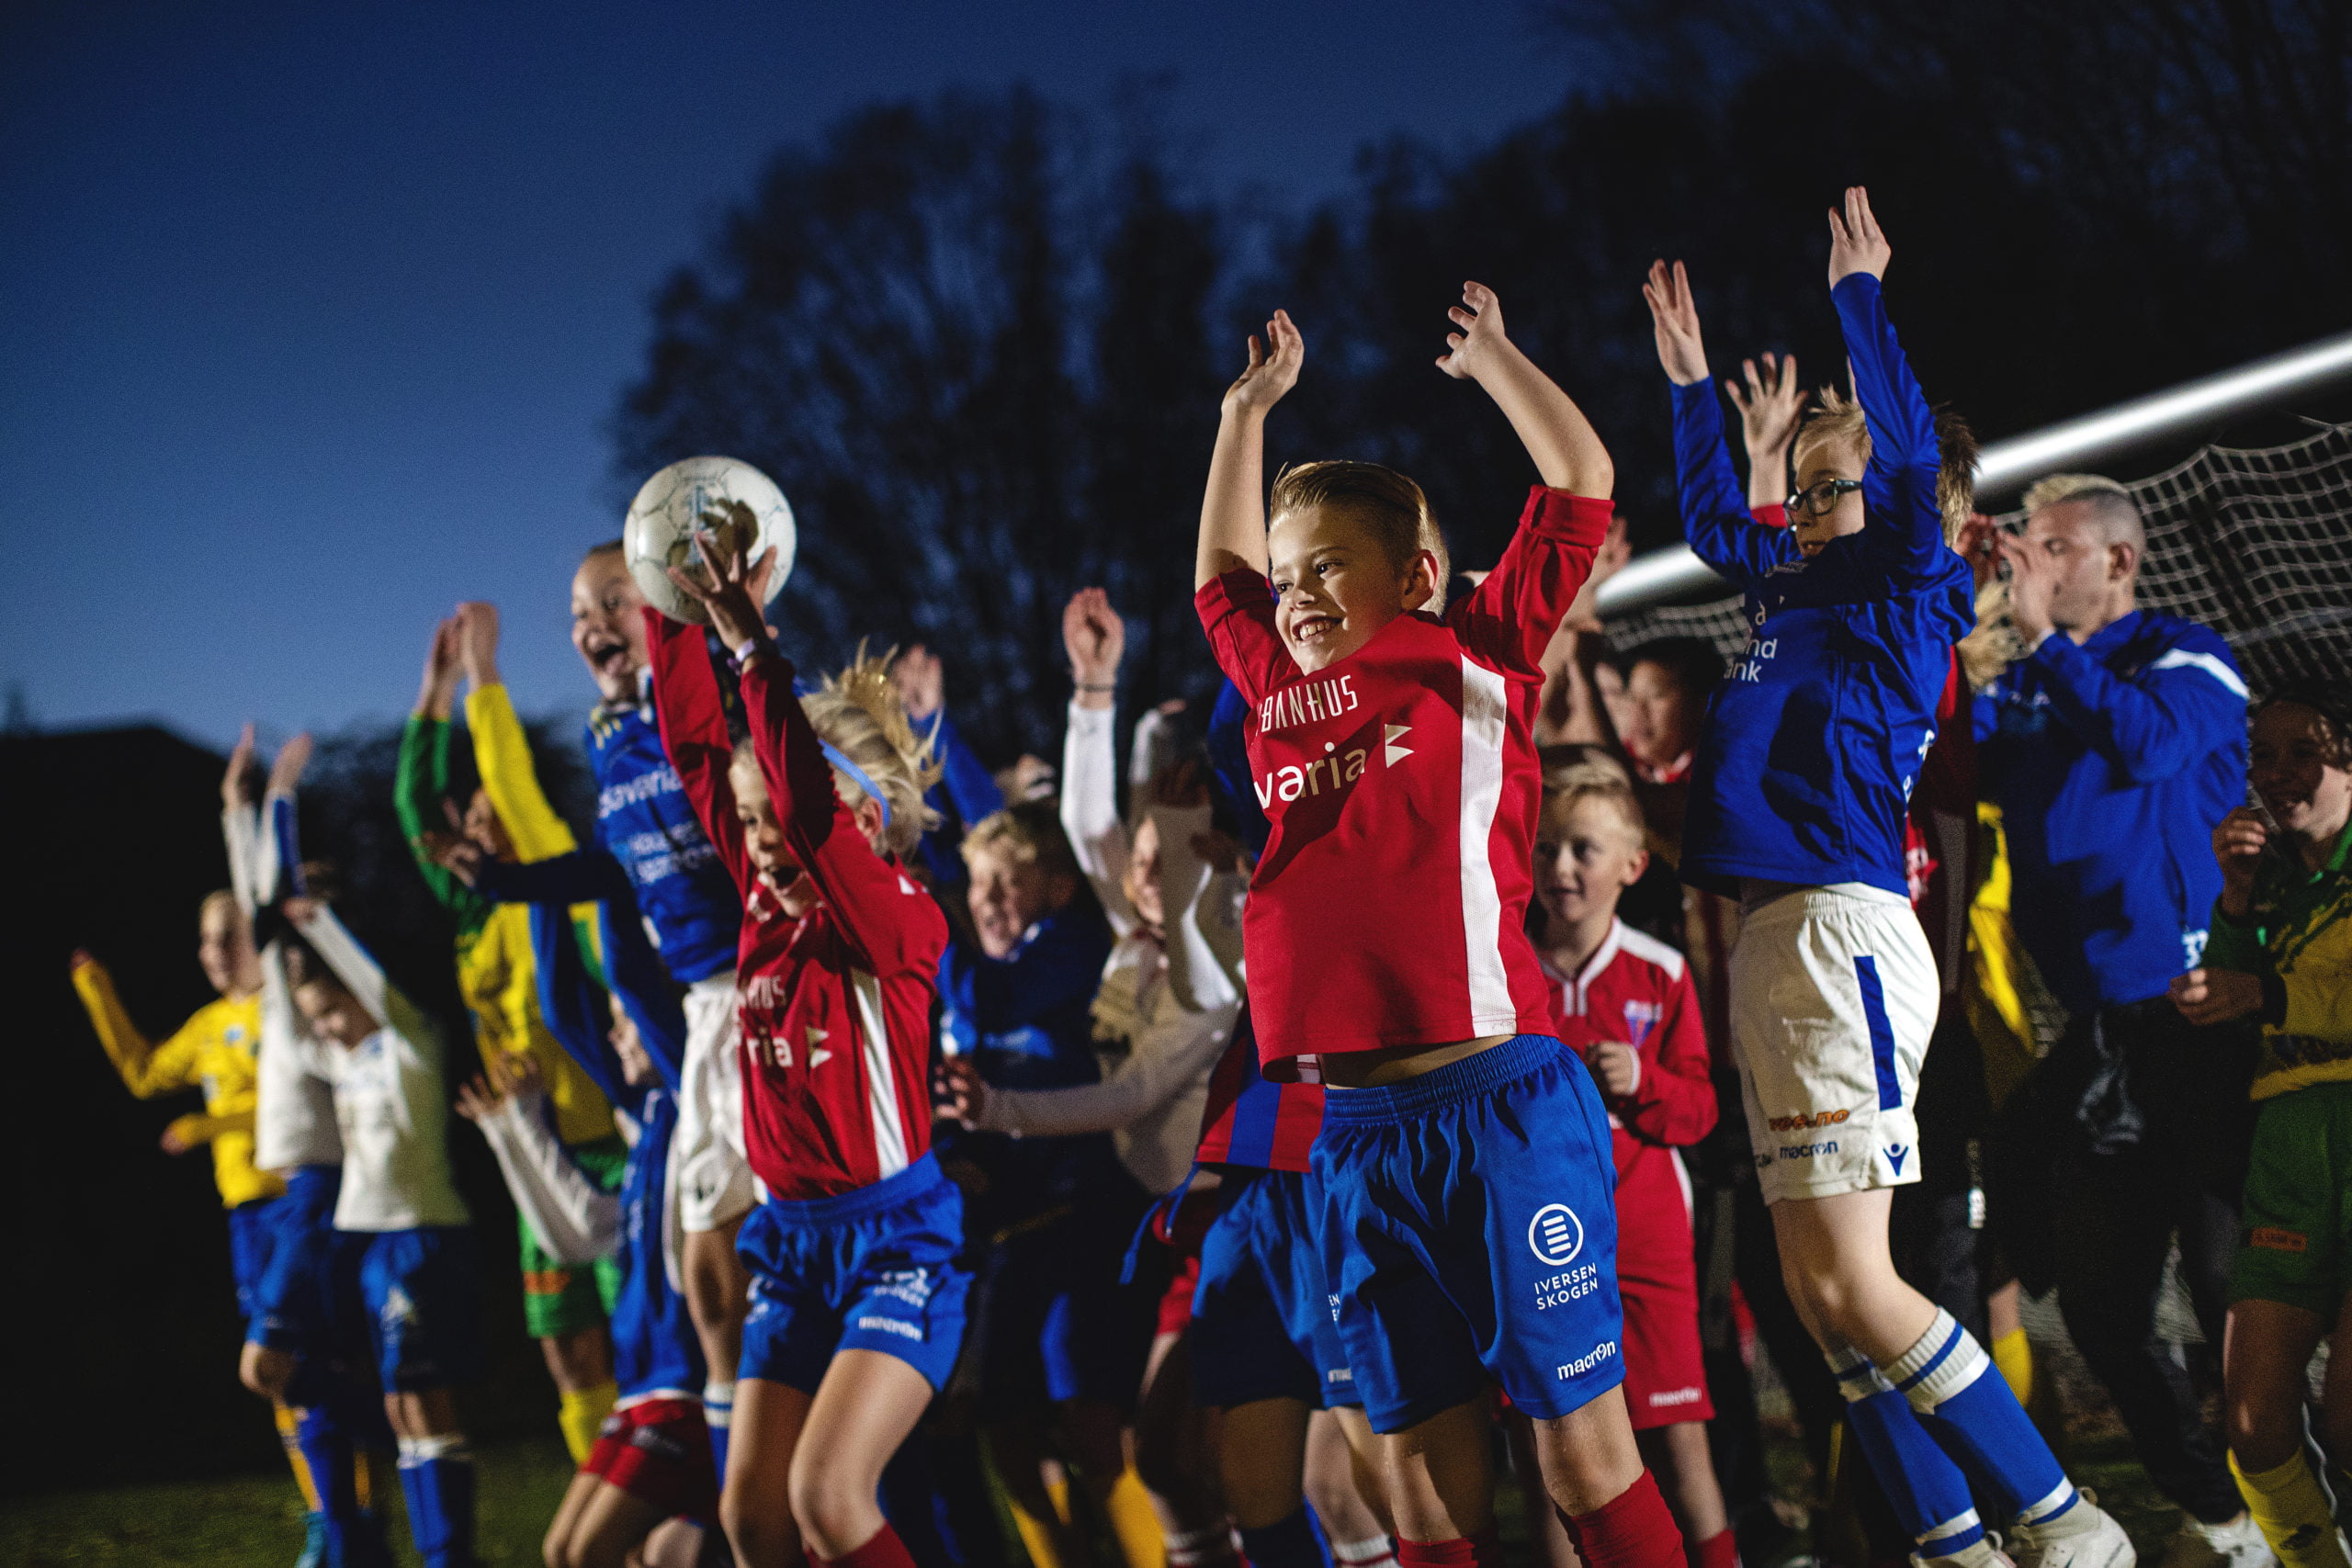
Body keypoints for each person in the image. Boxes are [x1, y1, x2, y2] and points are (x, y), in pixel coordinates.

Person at [1642, 187, 2126, 1568]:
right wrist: (1689, 385)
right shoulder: (1797, 585)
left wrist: (1863, 302)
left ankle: (2069, 1527)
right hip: (1775, 939)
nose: (1802, 504)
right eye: (1796, 488)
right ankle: (1956, 1541)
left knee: (1863, 1277)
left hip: (1844, 932)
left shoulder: (1908, 577)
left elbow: (1908, 469)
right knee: (1817, 1292)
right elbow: (1716, 518)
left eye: (1827, 481)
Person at [1194, 275, 1681, 1568]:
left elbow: (1579, 480)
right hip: (1351, 1142)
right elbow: (1220, 581)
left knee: (1579, 1450)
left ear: (1411, 574)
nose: (1293, 595)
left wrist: (1500, 364)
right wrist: (1244, 416)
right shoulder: (1266, 694)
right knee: (1418, 1483)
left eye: (1327, 569)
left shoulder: (1472, 651)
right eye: (1288, 576)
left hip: (1496, 1107)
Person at [652, 536, 967, 1568]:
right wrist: (667, 599)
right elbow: (702, 754)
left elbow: (801, 810)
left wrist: (756, 662)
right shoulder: (765, 899)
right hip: (791, 1244)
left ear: (866, 822)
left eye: (778, 826)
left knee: (829, 1498)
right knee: (753, 1521)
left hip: (895, 1242)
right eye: (747, 829)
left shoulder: (895, 921)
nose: (760, 848)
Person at [1975, 468, 2258, 1568]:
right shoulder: (2034, 686)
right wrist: (1960, 618)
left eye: (2048, 549)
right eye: (2026, 549)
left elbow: (2144, 748)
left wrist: (2041, 644)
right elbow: (1965, 761)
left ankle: (2291, 1502)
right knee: (2100, 1307)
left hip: (2204, 1023)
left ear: (2117, 560)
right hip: (2102, 1036)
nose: (2027, 570)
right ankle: (2222, 1520)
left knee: (2235, 1292)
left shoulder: (2184, 658)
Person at [940, 587, 1251, 1568]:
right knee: (1171, 1461)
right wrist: (1092, 687)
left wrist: (998, 1108)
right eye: (1140, 861)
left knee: (1231, 1461)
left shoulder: (1216, 977)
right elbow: (1087, 820)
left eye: (1170, 867)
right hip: (1167, 1228)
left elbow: (1126, 1098)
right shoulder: (1130, 936)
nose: (1142, 879)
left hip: (1235, 1226)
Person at [71, 746, 375, 1568]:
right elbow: (142, 1073)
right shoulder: (211, 1024)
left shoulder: (286, 997)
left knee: (294, 1362)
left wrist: (261, 808)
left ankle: (363, 1501)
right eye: (205, 940)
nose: (213, 951)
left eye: (226, 934)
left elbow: (286, 1092)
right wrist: (95, 987)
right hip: (247, 1211)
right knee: (282, 1374)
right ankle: (335, 1516)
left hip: (298, 1198)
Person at [240, 736, 483, 1568]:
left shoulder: (412, 1041)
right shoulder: (337, 1055)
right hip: (367, 1243)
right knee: (395, 1403)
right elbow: (282, 994)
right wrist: (257, 826)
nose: (327, 1027)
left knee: (425, 1396)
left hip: (423, 1232)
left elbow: (368, 986)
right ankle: (394, 1541)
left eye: (334, 1011)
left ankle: (450, 1553)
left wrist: (329, 929)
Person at [396, 610, 623, 1467]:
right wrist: (435, 691)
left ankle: (672, 1502)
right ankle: (611, 1499)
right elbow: (418, 807)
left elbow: (514, 795)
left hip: (605, 1143)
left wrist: (488, 682)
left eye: (494, 817)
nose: (478, 827)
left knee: (635, 1333)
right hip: (529, 1154)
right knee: (566, 1349)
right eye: (473, 819)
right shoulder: (468, 912)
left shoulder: (562, 890)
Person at [445, 866, 716, 1568]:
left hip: (690, 1386)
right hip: (644, 1384)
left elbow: (619, 987)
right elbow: (585, 1233)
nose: (618, 1032)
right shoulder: (650, 1120)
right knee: (565, 1548)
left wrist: (572, 869)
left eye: (629, 1021)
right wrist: (534, 888)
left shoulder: (697, 1113)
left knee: (604, 1550)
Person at [1528, 759, 1733, 1568]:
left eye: (1583, 848)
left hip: (1645, 1236)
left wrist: (1642, 1081)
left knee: (1681, 1443)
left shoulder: (1662, 970)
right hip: (1542, 1238)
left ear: (1632, 864)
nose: (1562, 868)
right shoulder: (1507, 979)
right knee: (1556, 1449)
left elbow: (1700, 1112)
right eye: (1546, 850)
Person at [2168, 680, 2352, 1568]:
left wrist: (2264, 991)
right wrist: (2235, 900)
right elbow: (2241, 996)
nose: (2275, 774)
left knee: (2351, 1419)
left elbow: (2281, 994)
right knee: (2251, 1424)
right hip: (2286, 1145)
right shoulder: (2276, 873)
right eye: (2263, 756)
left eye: (2301, 752)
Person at [938, 795, 1147, 1568]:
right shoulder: (974, 987)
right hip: (1007, 1239)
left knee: (1092, 1422)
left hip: (1081, 1220)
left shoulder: (1068, 947)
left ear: (1055, 886)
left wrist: (917, 922)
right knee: (1011, 1436)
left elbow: (996, 1002)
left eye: (1006, 881)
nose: (985, 900)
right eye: (977, 884)